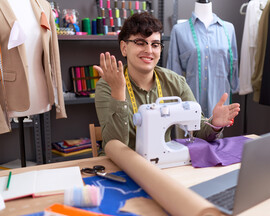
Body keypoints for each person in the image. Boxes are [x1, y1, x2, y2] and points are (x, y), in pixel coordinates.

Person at [94, 12, 240, 152]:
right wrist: (119, 93)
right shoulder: (107, 86)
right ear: (124, 48)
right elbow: (115, 146)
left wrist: (214, 124)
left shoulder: (175, 82)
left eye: (155, 44)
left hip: (160, 162)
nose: (149, 50)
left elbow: (197, 130)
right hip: (121, 167)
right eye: (140, 43)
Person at [0, 0, 66, 134]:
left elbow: (53, 54)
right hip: (10, 95)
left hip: (41, 92)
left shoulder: (44, 6)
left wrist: (59, 100)